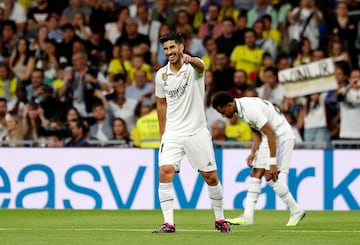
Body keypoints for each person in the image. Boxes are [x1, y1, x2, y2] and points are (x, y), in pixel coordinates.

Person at [152, 31, 231, 233]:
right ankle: (168, 223)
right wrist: (163, 132)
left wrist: (192, 60)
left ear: (181, 47)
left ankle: (220, 219)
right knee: (164, 172)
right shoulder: (161, 75)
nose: (169, 52)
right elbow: (161, 103)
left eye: (172, 47)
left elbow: (202, 65)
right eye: (166, 49)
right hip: (173, 133)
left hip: (196, 132)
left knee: (211, 177)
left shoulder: (194, 68)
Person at [211, 91, 305, 227]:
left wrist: (272, 162)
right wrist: (253, 152)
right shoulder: (242, 107)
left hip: (281, 137)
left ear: (230, 105)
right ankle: (248, 217)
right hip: (270, 138)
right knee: (256, 173)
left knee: (271, 176)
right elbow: (257, 131)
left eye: (223, 111)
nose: (223, 115)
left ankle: (296, 210)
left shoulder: (249, 109)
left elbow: (270, 133)